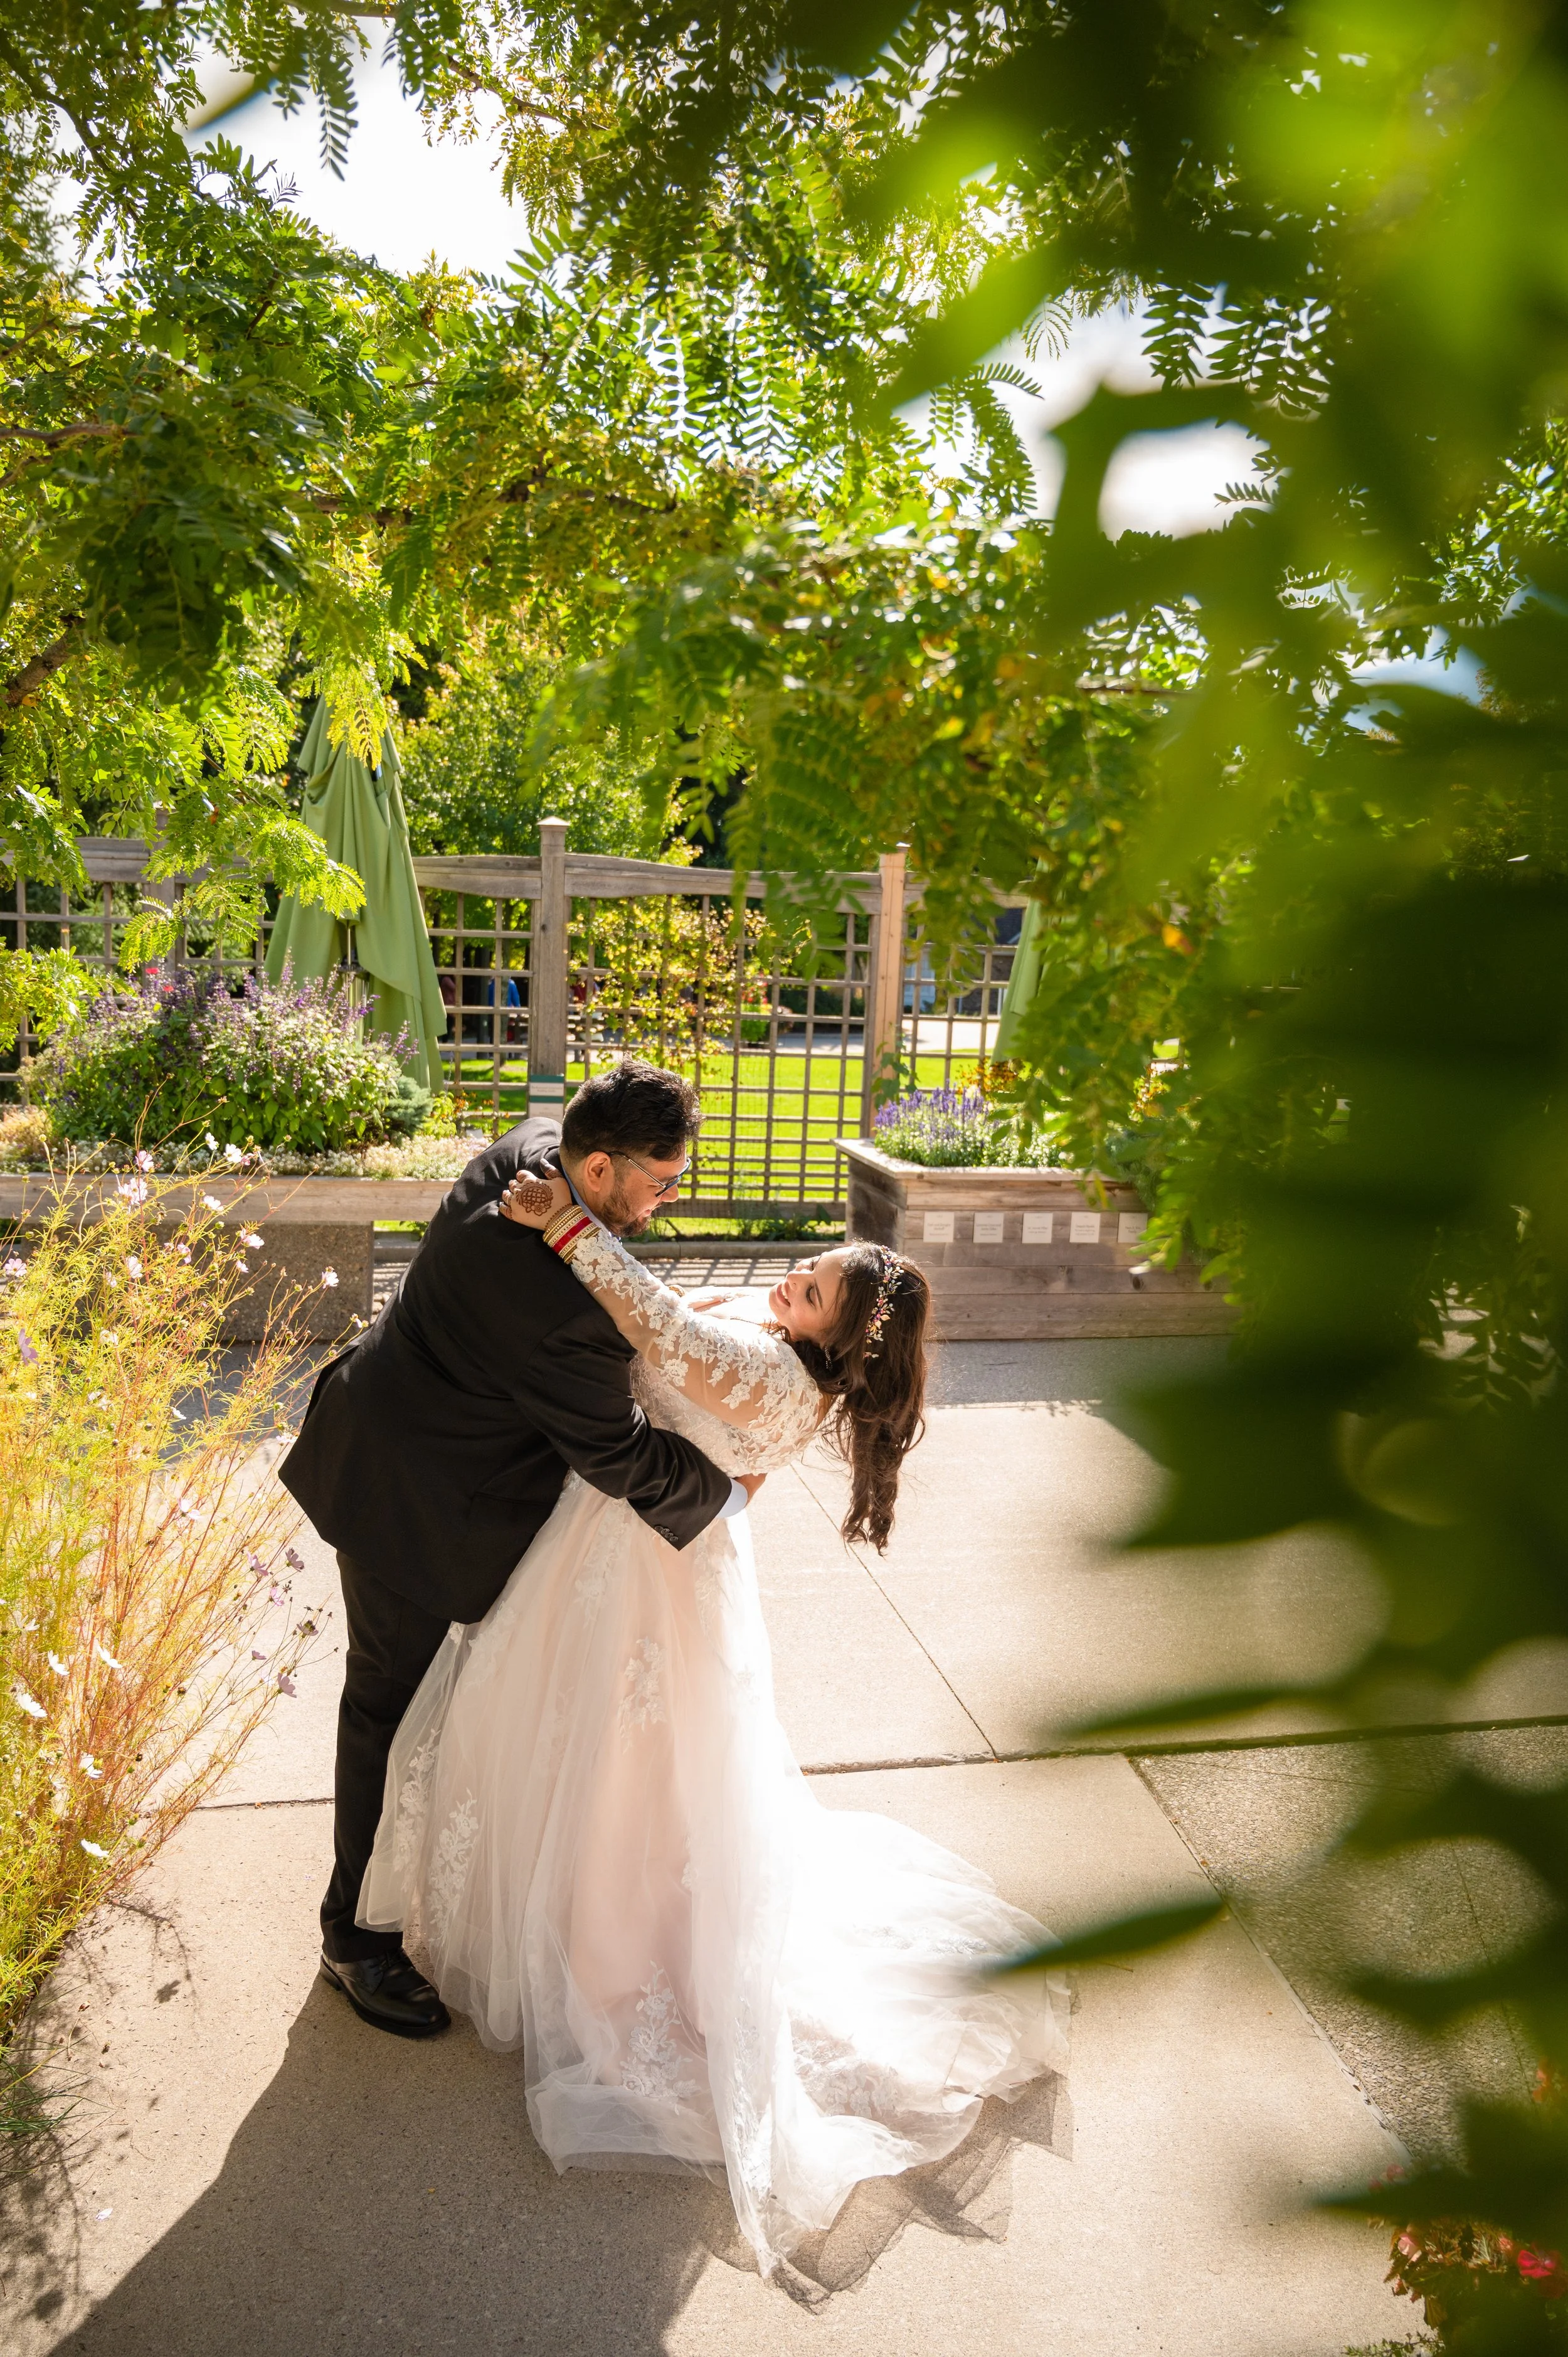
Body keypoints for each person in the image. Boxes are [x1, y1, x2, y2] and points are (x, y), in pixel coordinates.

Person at [357, 1082, 1069, 2287]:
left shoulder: (773, 1372)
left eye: (809, 1294)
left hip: (640, 1567)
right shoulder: (784, 1342)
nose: (785, 1283)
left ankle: (612, 1945)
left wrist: (572, 1230)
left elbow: (659, 1330)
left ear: (833, 1339)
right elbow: (687, 1324)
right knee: (577, 1745)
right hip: (627, 1544)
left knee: (624, 1766)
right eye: (802, 1273)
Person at [280, 1061, 750, 2038]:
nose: (667, 1206)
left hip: (388, 1432)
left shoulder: (529, 1153)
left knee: (446, 1704)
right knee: (389, 1703)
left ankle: (414, 1889)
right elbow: (616, 1450)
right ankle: (352, 1941)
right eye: (660, 1184)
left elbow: (605, 1270)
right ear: (600, 1164)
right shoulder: (559, 1319)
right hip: (412, 1504)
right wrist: (727, 1491)